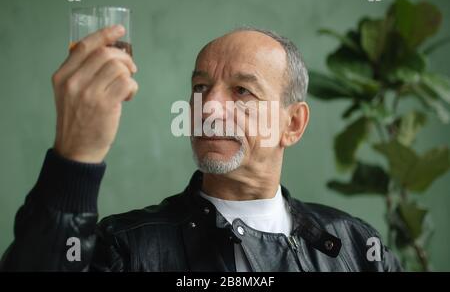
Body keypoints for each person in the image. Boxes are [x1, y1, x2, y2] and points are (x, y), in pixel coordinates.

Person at [0, 25, 401, 271]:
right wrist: (75, 160)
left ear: (292, 125)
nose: (208, 107)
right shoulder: (126, 248)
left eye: (241, 90)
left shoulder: (355, 247)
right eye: (200, 88)